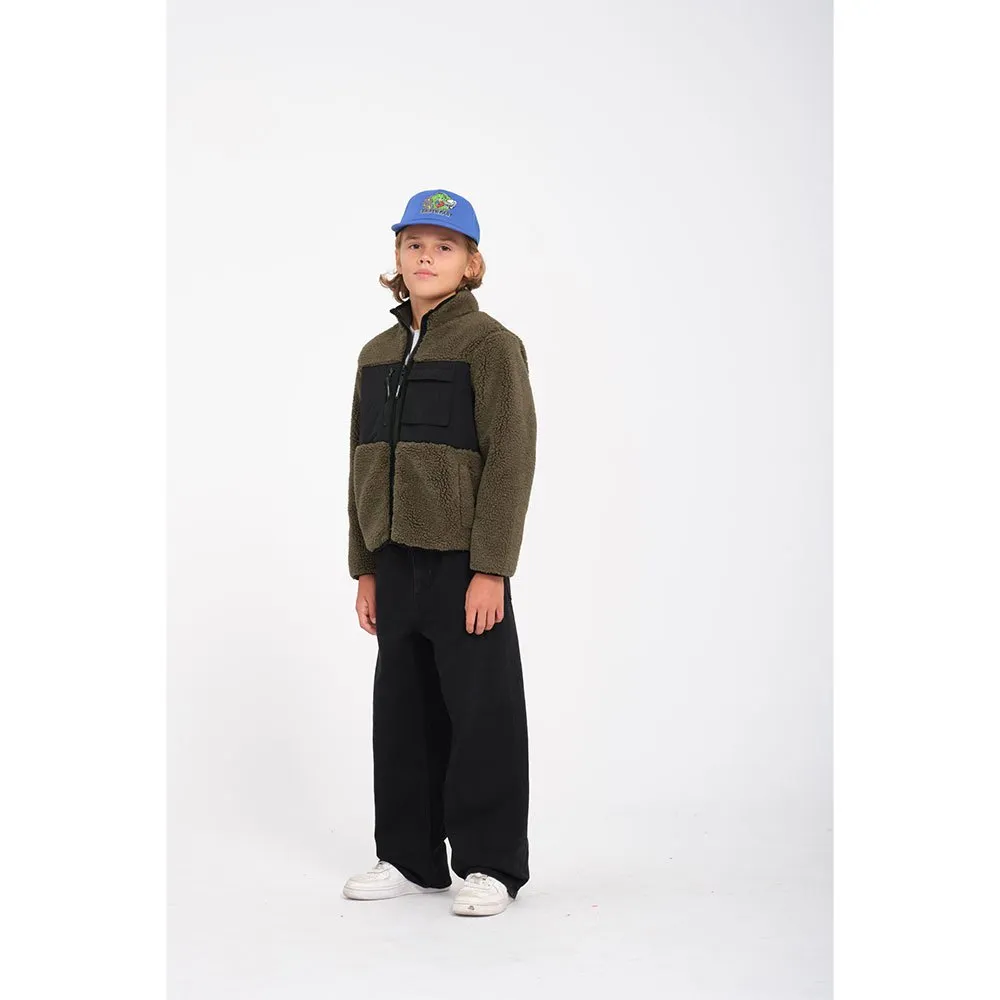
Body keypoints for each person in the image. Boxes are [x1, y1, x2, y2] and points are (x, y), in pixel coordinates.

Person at [342, 189, 537, 917]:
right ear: (398, 257)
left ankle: (491, 864)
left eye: (444, 246)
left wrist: (492, 568)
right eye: (414, 244)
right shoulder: (376, 354)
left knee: (482, 713)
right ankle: (408, 856)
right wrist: (364, 565)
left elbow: (512, 459)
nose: (426, 256)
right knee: (401, 712)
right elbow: (359, 461)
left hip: (463, 562)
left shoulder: (491, 346)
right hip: (394, 558)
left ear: (470, 263)